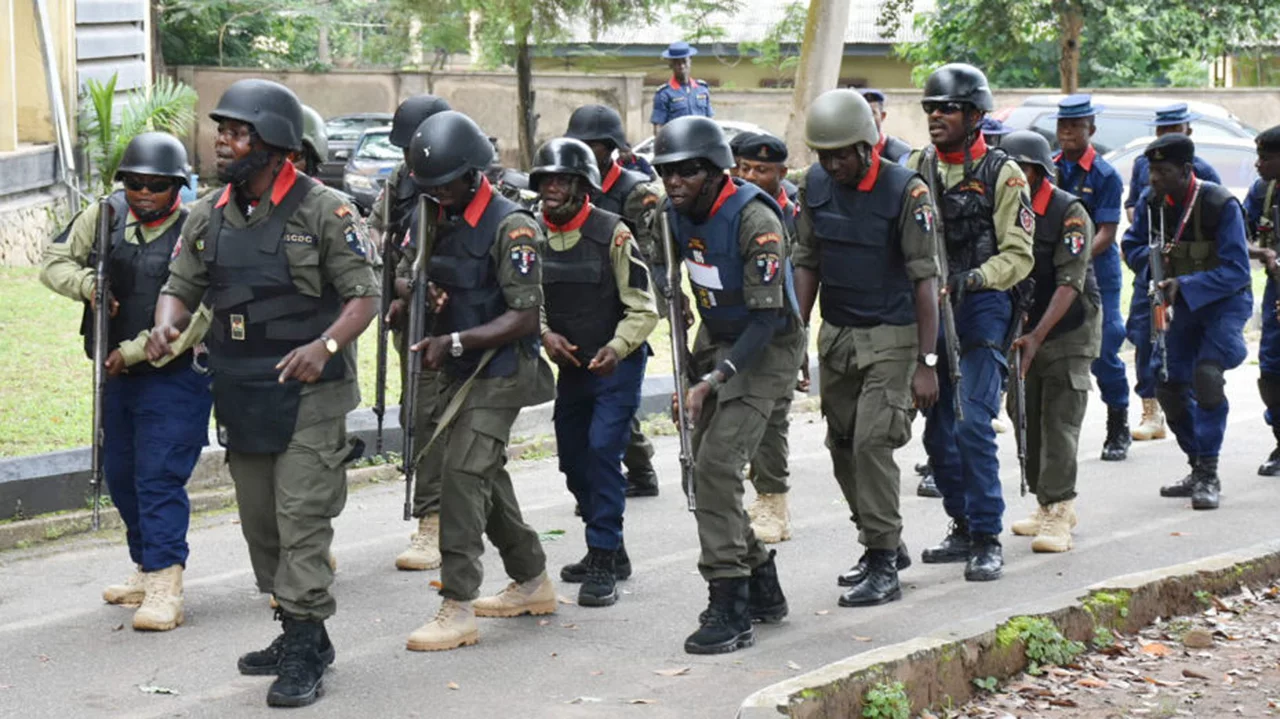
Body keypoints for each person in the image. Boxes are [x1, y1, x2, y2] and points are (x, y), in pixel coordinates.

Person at [148, 79, 378, 707]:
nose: (222, 141)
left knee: (302, 518)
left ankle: (305, 644)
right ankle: (300, 628)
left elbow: (363, 297)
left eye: (237, 132)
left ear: (274, 143)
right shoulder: (209, 212)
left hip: (312, 393)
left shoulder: (326, 211)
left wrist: (324, 346)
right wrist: (167, 323)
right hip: (242, 391)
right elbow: (180, 284)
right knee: (261, 524)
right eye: (221, 130)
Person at [40, 132, 212, 633]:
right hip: (116, 375)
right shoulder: (106, 215)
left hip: (175, 374)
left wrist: (134, 351)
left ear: (177, 186)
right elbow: (53, 263)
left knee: (158, 476)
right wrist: (89, 285)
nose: (144, 194)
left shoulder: (197, 226)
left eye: (157, 185)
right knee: (120, 474)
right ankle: (145, 564)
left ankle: (166, 581)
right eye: (135, 183)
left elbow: (201, 310)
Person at [401, 111, 558, 652]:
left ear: (472, 174)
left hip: (502, 369)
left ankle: (458, 603)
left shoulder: (513, 226)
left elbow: (525, 316)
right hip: (457, 369)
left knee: (463, 475)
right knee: (485, 474)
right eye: (429, 186)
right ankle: (532, 579)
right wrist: (418, 294)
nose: (437, 194)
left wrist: (456, 340)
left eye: (446, 184)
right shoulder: (430, 214)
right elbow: (405, 274)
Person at [650, 116, 805, 654]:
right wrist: (672, 307)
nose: (675, 182)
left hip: (767, 346)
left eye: (688, 172)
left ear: (717, 172)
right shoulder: (669, 215)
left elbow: (767, 321)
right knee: (699, 469)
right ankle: (761, 578)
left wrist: (712, 381)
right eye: (667, 172)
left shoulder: (755, 219)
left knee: (716, 466)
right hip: (716, 338)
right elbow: (665, 276)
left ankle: (730, 602)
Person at [795, 89, 940, 606]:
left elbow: (925, 279)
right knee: (840, 444)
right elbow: (806, 260)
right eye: (824, 156)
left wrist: (927, 362)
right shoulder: (814, 185)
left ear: (865, 145)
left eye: (841, 155)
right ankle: (882, 540)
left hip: (893, 335)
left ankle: (882, 563)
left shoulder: (906, 190)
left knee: (872, 444)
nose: (832, 166)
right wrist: (796, 336)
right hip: (837, 334)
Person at [907, 63, 1034, 582]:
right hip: (930, 307)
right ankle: (961, 523)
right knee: (937, 434)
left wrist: (974, 278)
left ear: (976, 115)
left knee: (971, 422)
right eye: (931, 108)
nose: (936, 116)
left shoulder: (1004, 173)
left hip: (983, 306)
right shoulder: (916, 166)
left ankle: (986, 535)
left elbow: (1019, 256)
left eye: (949, 108)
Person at [531, 137, 658, 607]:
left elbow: (644, 307)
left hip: (615, 365)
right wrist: (545, 335)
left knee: (604, 451)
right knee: (572, 457)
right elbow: (525, 299)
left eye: (562, 181)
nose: (552, 189)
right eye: (546, 180)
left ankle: (603, 555)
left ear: (583, 186)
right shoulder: (530, 233)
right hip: (572, 367)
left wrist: (617, 347)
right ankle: (609, 545)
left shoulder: (613, 233)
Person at [1120, 134, 1252, 510]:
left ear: (1186, 170)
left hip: (1224, 303)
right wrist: (1154, 263)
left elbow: (1238, 270)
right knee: (1167, 384)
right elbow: (1130, 245)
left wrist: (1188, 283)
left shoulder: (1218, 203)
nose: (1153, 179)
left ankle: (1209, 472)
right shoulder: (1152, 203)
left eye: (1163, 171)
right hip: (1180, 305)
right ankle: (1197, 463)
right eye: (1151, 171)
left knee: (1206, 376)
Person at [1001, 130, 1101, 553]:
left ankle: (1060, 508)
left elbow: (1070, 282)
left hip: (1068, 326)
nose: (1013, 178)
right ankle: (1046, 501)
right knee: (1023, 410)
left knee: (1060, 416)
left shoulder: (1068, 211)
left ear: (1040, 172)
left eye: (1021, 170)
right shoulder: (1002, 206)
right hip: (1025, 327)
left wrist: (1037, 336)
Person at [563, 103, 666, 498]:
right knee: (601, 396)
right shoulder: (573, 185)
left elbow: (648, 257)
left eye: (593, 145)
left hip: (625, 305)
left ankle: (621, 477)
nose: (585, 151)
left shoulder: (634, 192)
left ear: (611, 148)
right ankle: (638, 469)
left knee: (611, 393)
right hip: (583, 302)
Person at [369, 93, 454, 572]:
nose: (410, 157)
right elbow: (378, 243)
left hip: (462, 322)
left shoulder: (463, 180)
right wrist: (395, 292)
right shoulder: (399, 183)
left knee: (437, 419)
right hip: (413, 320)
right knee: (417, 415)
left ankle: (434, 520)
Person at [1125, 104, 1223, 445]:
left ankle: (1190, 406)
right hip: (1153, 274)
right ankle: (1151, 410)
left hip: (1189, 280)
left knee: (1187, 345)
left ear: (1188, 132)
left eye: (1174, 130)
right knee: (1144, 335)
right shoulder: (1142, 167)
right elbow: (1133, 219)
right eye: (1161, 131)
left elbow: (1215, 223)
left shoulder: (1204, 173)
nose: (1156, 176)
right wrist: (1151, 255)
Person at [1050, 95, 1129, 462]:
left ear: (1091, 130)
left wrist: (1073, 259)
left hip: (1098, 272)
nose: (1067, 131)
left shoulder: (1105, 175)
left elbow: (1107, 233)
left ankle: (1118, 421)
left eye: (1075, 125)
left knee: (1104, 347)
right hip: (1055, 270)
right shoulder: (1049, 168)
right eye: (1062, 125)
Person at [734, 132, 805, 544]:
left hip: (780, 327)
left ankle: (773, 503)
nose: (749, 176)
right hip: (738, 323)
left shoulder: (794, 214)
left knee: (773, 415)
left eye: (761, 170)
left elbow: (804, 274)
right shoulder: (731, 211)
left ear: (781, 173)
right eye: (743, 168)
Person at [1244, 126, 1280, 476]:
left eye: (1266, 158)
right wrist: (1263, 252)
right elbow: (1237, 233)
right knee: (1270, 368)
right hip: (1277, 290)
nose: (1258, 164)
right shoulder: (1261, 192)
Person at [651, 41, 713, 135]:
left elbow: (710, 122)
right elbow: (658, 129)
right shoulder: (664, 94)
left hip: (701, 142)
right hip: (677, 143)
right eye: (677, 63)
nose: (682, 66)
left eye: (684, 61)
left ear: (690, 61)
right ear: (671, 65)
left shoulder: (702, 89)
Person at [860, 88, 912, 163]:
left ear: (882, 116)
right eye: (863, 113)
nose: (868, 118)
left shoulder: (900, 152)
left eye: (872, 113)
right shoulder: (849, 152)